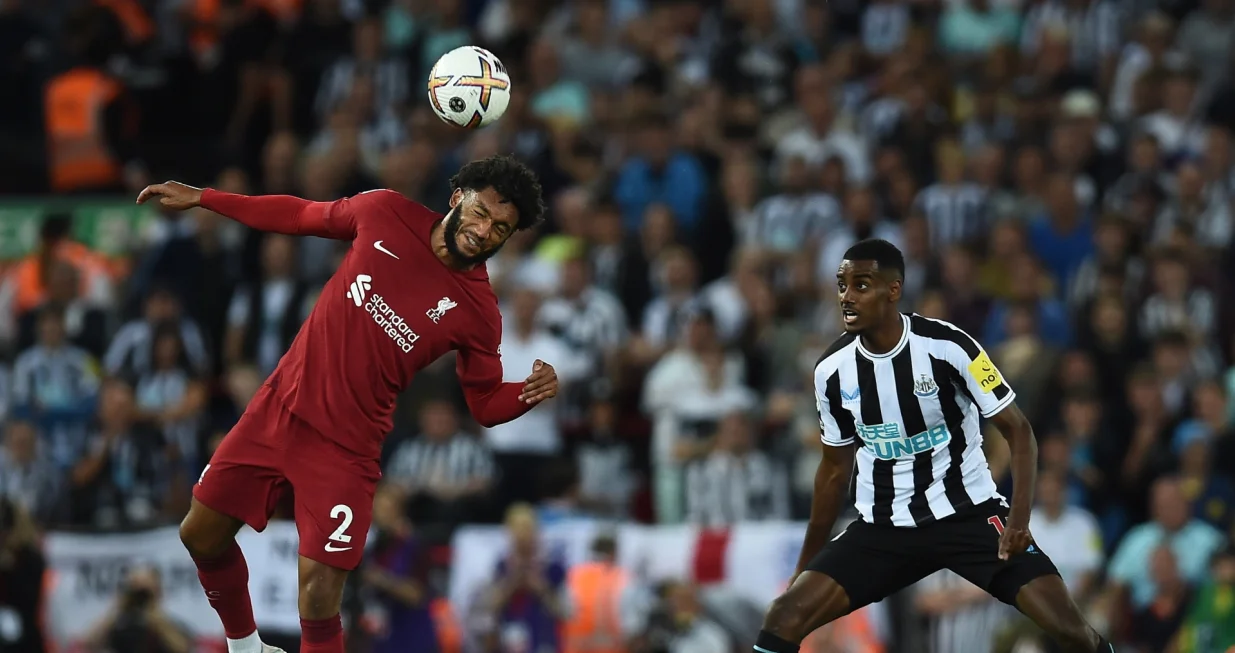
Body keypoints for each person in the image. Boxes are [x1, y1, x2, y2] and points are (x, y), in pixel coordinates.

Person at [134, 155, 560, 653]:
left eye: (501, 229)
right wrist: (206, 198)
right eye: (481, 213)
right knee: (200, 534)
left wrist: (525, 392)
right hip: (279, 408)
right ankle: (248, 648)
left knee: (318, 596)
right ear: (456, 198)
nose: (485, 231)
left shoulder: (479, 311)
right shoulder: (384, 212)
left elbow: (484, 403)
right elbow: (298, 215)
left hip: (346, 450)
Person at [754, 239, 1114, 653]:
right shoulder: (830, 371)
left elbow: (1019, 432)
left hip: (969, 515)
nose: (847, 297)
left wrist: (1017, 520)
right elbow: (834, 472)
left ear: (893, 290)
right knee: (783, 616)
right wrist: (805, 566)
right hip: (884, 528)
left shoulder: (949, 346)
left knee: (1070, 629)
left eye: (861, 285)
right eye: (841, 286)